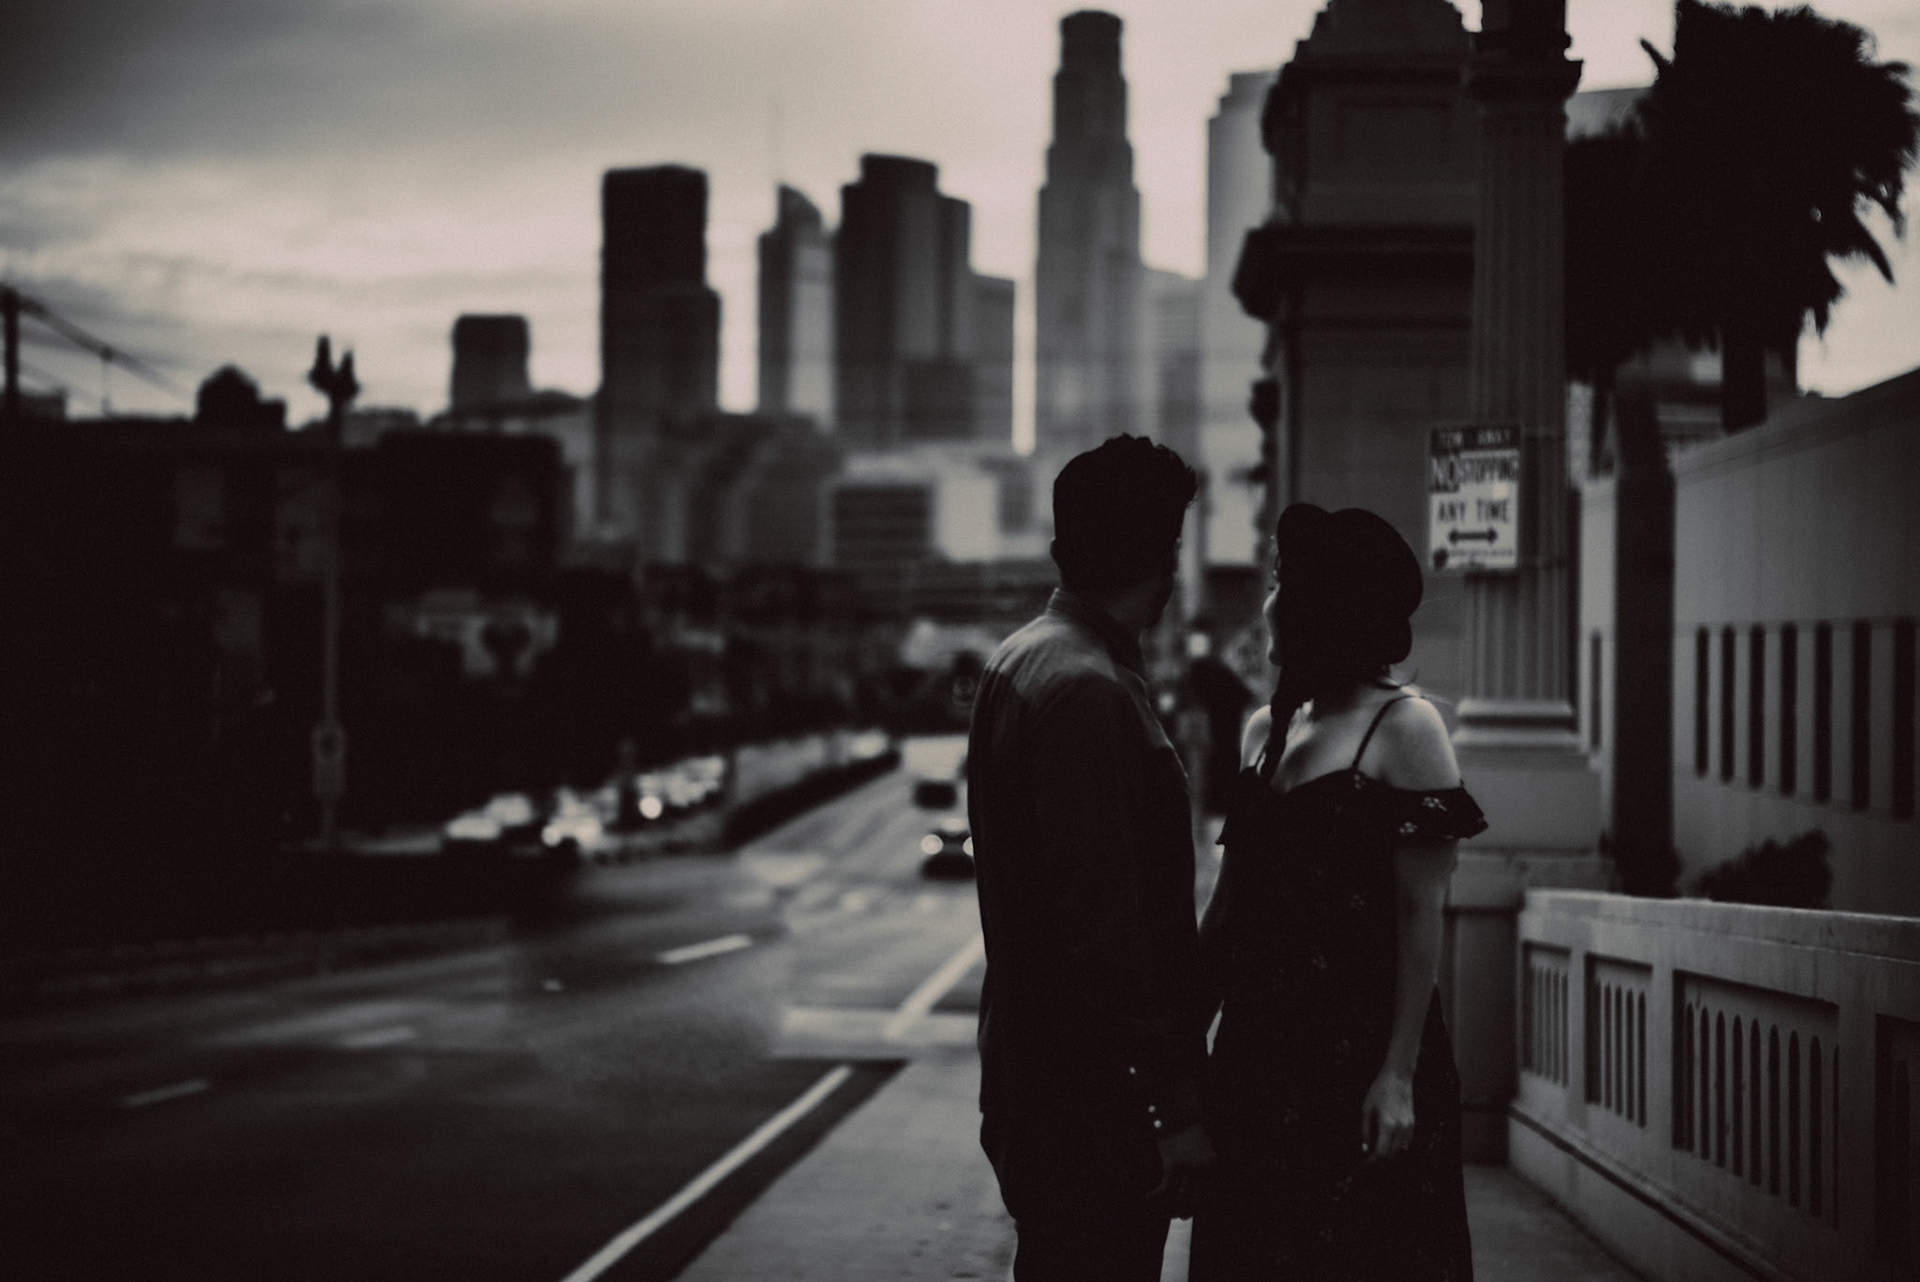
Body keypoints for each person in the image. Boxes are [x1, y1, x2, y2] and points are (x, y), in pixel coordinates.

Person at [1189, 503, 1484, 1280]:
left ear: (1325, 605)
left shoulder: (1407, 728)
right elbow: (1229, 908)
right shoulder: (1264, 732)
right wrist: (1176, 1045)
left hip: (1356, 1069)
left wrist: (1398, 1075)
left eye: (1283, 582)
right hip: (1256, 1060)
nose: (1269, 600)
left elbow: (1422, 915)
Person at [969, 435, 1216, 1281]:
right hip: (1095, 1107)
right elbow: (1108, 933)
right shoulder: (1089, 693)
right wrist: (1172, 1109)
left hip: (1041, 1083)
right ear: (1164, 557)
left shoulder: (1024, 658)